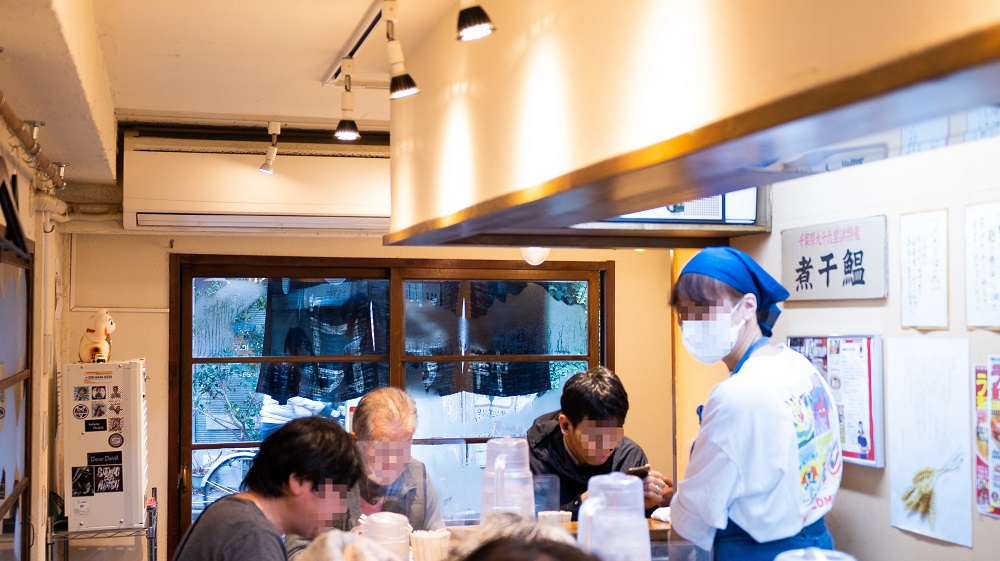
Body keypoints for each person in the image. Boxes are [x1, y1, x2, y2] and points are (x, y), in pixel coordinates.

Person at [668, 247, 842, 561]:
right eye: (684, 313)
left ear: (747, 306)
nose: (691, 323)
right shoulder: (802, 369)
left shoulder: (736, 395)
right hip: (817, 545)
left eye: (703, 310)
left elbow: (692, 522)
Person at [172, 416, 366, 561]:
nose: (339, 508)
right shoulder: (253, 539)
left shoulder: (232, 511)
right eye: (337, 494)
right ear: (298, 481)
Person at [287, 387, 443, 559]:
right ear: (356, 441)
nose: (397, 459)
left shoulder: (418, 478)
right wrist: (346, 551)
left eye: (405, 444)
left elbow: (438, 546)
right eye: (384, 447)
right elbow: (296, 554)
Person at [526, 366, 673, 520]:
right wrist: (582, 503)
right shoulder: (533, 459)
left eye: (613, 433)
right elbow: (525, 526)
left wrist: (649, 507)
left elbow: (637, 528)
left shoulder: (629, 456)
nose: (606, 445)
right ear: (565, 425)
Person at [259, 327, 333, 440]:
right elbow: (293, 397)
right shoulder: (284, 367)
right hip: (277, 425)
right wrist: (324, 408)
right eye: (305, 345)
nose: (307, 350)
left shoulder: (295, 366)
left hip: (283, 424)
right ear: (295, 346)